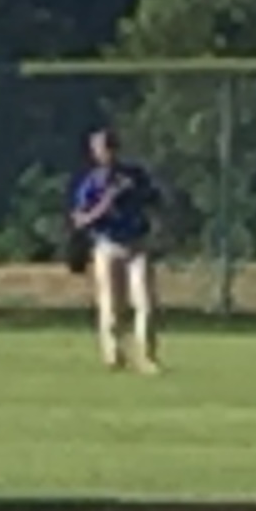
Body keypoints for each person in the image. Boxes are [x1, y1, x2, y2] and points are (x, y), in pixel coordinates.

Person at [68, 126, 163, 373]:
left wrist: (137, 194)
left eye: (109, 147)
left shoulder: (134, 175)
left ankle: (147, 356)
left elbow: (155, 198)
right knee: (111, 306)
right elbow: (79, 219)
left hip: (136, 243)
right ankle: (114, 355)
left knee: (145, 303)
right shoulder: (92, 183)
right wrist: (105, 204)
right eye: (100, 148)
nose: (106, 152)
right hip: (108, 245)